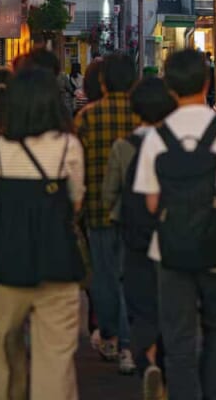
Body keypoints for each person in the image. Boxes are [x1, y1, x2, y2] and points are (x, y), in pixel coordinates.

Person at [133, 49, 216, 400]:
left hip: (170, 249)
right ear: (207, 82)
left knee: (179, 339)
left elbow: (151, 203)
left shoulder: (156, 136)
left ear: (170, 88)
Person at [0, 66, 85, 400]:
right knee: (56, 356)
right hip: (57, 256)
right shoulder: (68, 146)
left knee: (6, 348)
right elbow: (76, 202)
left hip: (5, 256)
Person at [102, 76, 176, 398]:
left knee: (140, 301)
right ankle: (167, 364)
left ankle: (148, 358)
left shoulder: (123, 146)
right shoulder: (178, 145)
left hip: (134, 234)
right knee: (170, 299)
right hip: (173, 234)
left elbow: (109, 194)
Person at [75, 52, 138, 372]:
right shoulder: (142, 116)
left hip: (98, 209)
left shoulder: (87, 117)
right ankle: (129, 345)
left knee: (104, 278)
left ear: (102, 82)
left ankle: (112, 337)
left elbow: (77, 166)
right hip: (137, 212)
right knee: (131, 278)